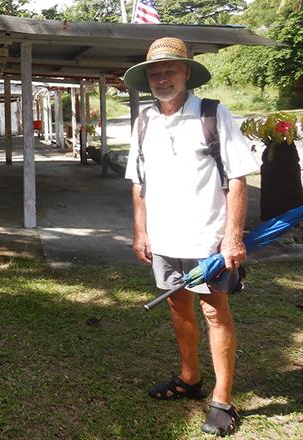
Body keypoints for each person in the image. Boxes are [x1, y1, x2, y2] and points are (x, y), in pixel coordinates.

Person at [123, 37, 257, 436]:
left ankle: (223, 399)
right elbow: (138, 181)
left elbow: (237, 176)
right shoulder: (144, 120)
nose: (162, 78)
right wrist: (140, 231)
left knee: (215, 312)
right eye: (154, 72)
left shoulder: (212, 114)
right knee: (178, 307)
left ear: (186, 73)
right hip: (164, 240)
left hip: (208, 242)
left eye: (169, 70)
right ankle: (189, 379)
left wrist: (233, 236)